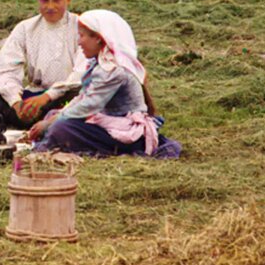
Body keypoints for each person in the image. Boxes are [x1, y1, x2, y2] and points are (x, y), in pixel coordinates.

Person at [27, 9, 181, 158]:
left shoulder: (113, 70)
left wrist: (51, 124)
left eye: (82, 36)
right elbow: (82, 97)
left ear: (98, 38)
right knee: (54, 115)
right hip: (107, 121)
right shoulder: (100, 64)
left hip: (123, 133)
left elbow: (88, 105)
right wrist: (54, 118)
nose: (79, 42)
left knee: (62, 128)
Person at [0, 0, 85, 129]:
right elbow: (4, 67)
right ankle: (22, 116)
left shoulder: (81, 26)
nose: (50, 7)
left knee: (82, 92)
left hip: (63, 95)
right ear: (38, 0)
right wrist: (16, 102)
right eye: (45, 0)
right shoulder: (26, 28)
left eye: (56, 0)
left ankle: (21, 119)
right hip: (35, 93)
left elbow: (82, 72)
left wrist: (48, 96)